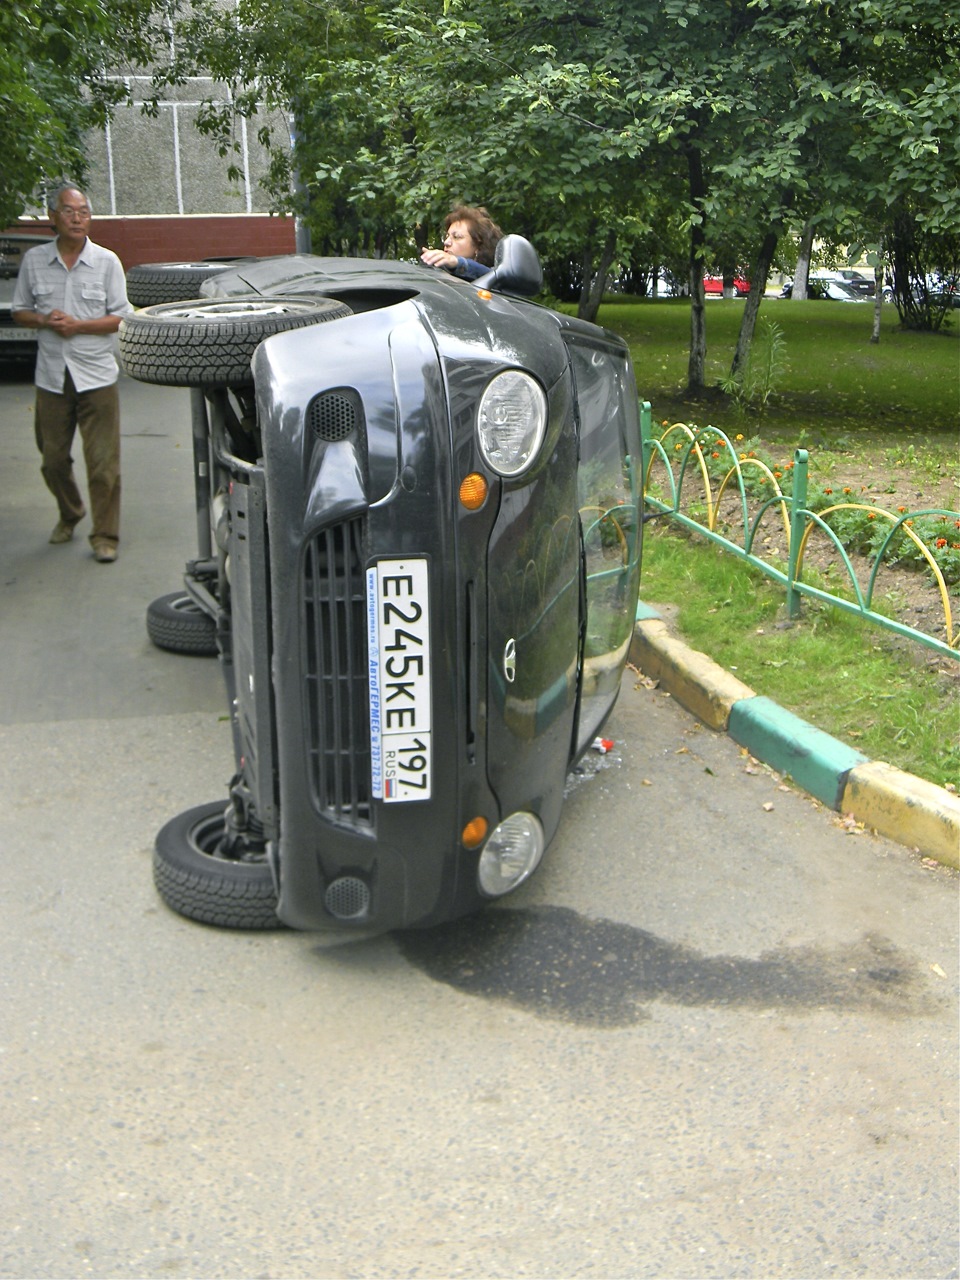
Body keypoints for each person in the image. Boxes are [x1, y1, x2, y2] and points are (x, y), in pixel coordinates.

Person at [12, 184, 133, 563]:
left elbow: (121, 317)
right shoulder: (34, 261)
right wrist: (45, 319)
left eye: (83, 211)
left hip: (96, 375)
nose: (78, 218)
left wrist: (78, 326)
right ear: (53, 218)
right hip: (51, 376)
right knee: (52, 460)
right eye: (69, 211)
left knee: (103, 464)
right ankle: (71, 512)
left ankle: (105, 534)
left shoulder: (107, 262)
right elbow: (19, 311)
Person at [420, 205, 503, 281]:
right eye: (447, 236)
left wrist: (457, 262)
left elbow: (493, 276)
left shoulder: (497, 280)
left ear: (478, 247)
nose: (446, 242)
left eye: (457, 237)